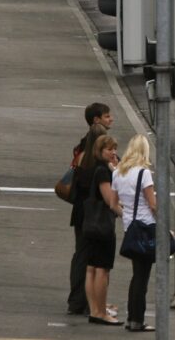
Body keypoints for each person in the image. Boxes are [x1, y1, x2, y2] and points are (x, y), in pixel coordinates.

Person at [68, 103, 114, 315]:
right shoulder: (100, 165)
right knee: (96, 263)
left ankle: (80, 301)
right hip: (96, 215)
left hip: (80, 212)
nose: (111, 119)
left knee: (82, 257)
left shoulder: (80, 151)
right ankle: (90, 304)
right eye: (107, 116)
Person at [111, 134, 157, 333]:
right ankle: (136, 319)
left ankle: (133, 318)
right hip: (146, 227)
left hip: (130, 228)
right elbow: (153, 204)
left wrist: (128, 217)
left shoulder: (117, 173)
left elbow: (113, 204)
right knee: (142, 276)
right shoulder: (143, 174)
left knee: (137, 274)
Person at [84, 134, 123, 326]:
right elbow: (110, 201)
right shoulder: (103, 172)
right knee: (102, 270)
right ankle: (100, 312)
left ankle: (94, 310)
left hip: (90, 225)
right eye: (109, 149)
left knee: (91, 268)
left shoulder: (97, 168)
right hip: (103, 227)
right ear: (100, 151)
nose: (113, 152)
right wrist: (127, 215)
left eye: (115, 148)